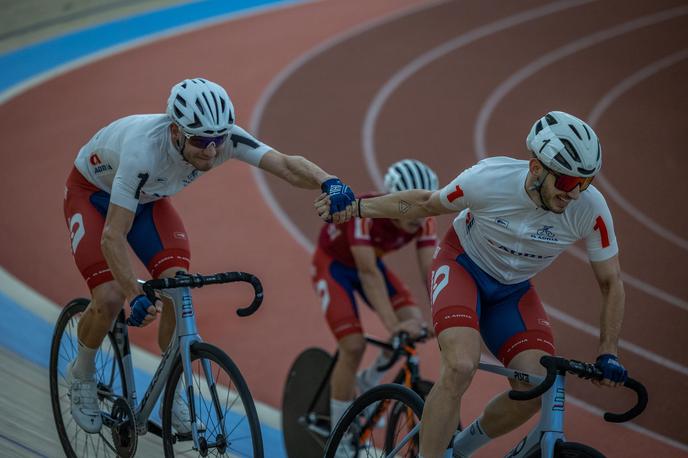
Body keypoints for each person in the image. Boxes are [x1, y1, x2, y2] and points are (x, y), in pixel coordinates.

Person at [316, 111, 628, 458]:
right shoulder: (489, 179)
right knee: (462, 365)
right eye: (568, 183)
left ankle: (461, 450)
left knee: (536, 388)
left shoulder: (591, 208)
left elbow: (611, 281)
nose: (575, 194)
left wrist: (608, 351)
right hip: (463, 266)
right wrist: (358, 207)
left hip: (513, 290)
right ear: (537, 168)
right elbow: (425, 203)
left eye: (585, 183)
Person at [63, 77, 355, 434]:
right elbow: (112, 236)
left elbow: (284, 165)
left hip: (147, 201)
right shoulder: (143, 151)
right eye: (201, 142)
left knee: (178, 287)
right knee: (108, 297)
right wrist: (133, 292)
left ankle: (172, 394)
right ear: (175, 131)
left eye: (218, 141)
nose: (212, 151)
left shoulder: (221, 136)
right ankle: (82, 373)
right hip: (93, 196)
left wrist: (330, 181)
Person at [311, 159, 439, 433]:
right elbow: (368, 274)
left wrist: (444, 317)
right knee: (354, 346)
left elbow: (432, 274)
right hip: (334, 266)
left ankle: (368, 381)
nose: (418, 218)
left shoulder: (424, 220)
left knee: (413, 324)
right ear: (394, 201)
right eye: (410, 209)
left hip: (370, 264)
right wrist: (394, 326)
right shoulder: (367, 211)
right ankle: (340, 438)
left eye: (423, 208)